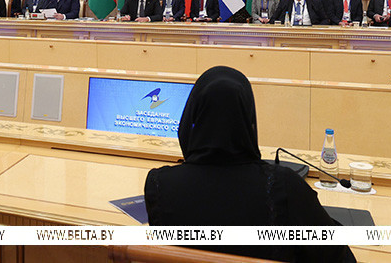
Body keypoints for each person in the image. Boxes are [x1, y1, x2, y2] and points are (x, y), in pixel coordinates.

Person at [144, 66, 355, 263]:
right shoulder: (284, 186)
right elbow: (338, 256)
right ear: (248, 119)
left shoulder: (159, 183)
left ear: (193, 115)